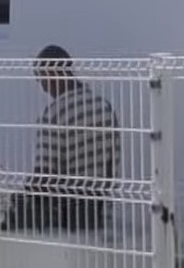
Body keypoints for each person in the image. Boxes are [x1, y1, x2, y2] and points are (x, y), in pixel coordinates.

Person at [22, 45, 122, 233]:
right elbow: (113, 160)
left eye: (42, 79)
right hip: (100, 201)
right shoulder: (105, 107)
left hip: (68, 209)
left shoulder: (53, 114)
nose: (43, 88)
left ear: (53, 73)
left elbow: (45, 173)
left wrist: (26, 193)